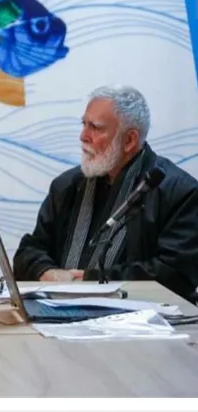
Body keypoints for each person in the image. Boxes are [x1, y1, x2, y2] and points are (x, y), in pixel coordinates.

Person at [13, 85, 198, 301]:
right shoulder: (67, 186)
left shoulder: (180, 193)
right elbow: (29, 251)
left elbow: (174, 274)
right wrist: (48, 273)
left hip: (144, 316)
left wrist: (90, 281)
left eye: (95, 127)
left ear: (129, 140)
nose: (83, 136)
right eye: (84, 124)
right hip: (60, 310)